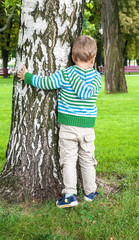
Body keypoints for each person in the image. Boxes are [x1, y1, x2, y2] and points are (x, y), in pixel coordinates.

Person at [18, 35, 102, 208]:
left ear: (72, 57)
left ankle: (70, 195)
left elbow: (46, 83)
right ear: (93, 58)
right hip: (87, 127)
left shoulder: (66, 74)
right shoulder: (97, 78)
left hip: (68, 127)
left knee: (69, 160)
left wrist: (27, 76)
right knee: (87, 160)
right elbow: (87, 94)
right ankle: (90, 192)